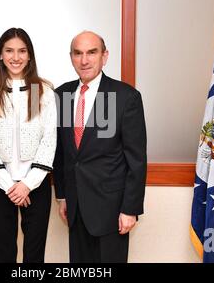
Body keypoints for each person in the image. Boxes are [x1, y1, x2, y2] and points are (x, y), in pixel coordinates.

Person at [53, 31, 147, 263]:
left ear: (104, 56)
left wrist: (130, 208)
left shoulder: (126, 96)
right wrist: (63, 196)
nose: (84, 60)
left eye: (92, 52)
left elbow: (136, 159)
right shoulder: (62, 95)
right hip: (75, 208)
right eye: (78, 53)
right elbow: (62, 153)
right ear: (71, 57)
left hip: (112, 210)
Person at [0, 28, 57, 263]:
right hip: (0, 185)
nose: (16, 57)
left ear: (30, 55)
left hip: (36, 185)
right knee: (4, 253)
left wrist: (27, 185)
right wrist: (10, 186)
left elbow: (48, 139)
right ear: (0, 55)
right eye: (9, 50)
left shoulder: (41, 91)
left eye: (22, 51)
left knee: (34, 254)